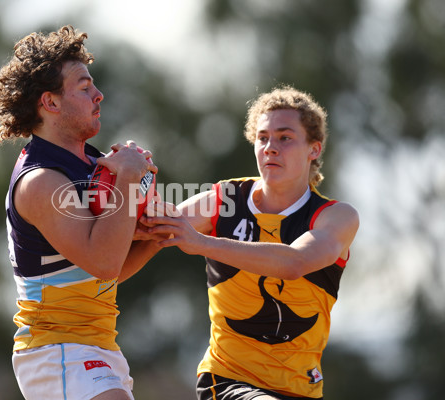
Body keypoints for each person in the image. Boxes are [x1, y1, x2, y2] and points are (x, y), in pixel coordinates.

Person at [134, 86, 359, 399]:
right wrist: (124, 183)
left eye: (285, 137)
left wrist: (201, 242)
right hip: (226, 381)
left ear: (314, 149)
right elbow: (148, 226)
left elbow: (295, 263)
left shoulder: (336, 216)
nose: (270, 147)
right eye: (263, 137)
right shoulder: (224, 199)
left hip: (301, 390)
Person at [0, 25, 157, 400]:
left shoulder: (93, 163)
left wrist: (156, 238)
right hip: (55, 350)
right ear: (50, 103)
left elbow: (101, 275)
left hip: (97, 347)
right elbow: (103, 261)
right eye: (84, 87)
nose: (99, 95)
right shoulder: (41, 182)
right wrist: (128, 179)